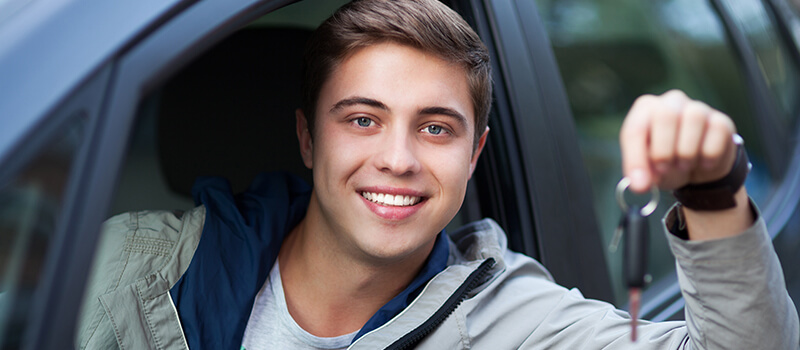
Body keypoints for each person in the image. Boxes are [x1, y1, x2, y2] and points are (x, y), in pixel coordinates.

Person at [76, 0, 799, 349]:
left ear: (475, 155)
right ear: (305, 137)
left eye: (435, 127)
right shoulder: (127, 269)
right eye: (362, 119)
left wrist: (712, 189)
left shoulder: (506, 321)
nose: (398, 157)